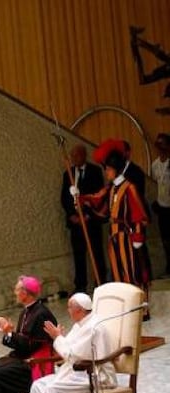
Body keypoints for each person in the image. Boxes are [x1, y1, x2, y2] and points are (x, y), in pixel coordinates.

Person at [24, 293, 117, 393]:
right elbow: (69, 348)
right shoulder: (80, 325)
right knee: (38, 386)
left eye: (69, 308)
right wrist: (59, 337)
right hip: (77, 373)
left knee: (51, 391)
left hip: (94, 375)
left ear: (79, 310)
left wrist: (57, 338)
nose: (68, 311)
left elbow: (71, 355)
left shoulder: (93, 327)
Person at [84, 144, 151, 319]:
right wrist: (80, 196)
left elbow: (138, 214)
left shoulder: (129, 187)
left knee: (132, 271)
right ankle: (128, 307)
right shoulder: (111, 188)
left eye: (108, 169)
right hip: (113, 235)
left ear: (115, 169)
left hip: (126, 236)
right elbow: (99, 200)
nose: (106, 172)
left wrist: (138, 235)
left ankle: (141, 309)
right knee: (118, 273)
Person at [61, 144, 107, 294]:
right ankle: (80, 285)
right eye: (72, 156)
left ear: (83, 155)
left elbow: (98, 195)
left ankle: (101, 283)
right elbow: (64, 198)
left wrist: (87, 214)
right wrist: (72, 215)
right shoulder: (68, 173)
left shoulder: (95, 171)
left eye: (76, 155)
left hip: (91, 221)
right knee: (79, 254)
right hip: (76, 223)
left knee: (97, 252)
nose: (73, 159)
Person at [151, 133, 170, 277]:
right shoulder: (155, 165)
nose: (161, 149)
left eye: (163, 145)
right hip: (162, 206)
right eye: (159, 146)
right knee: (165, 238)